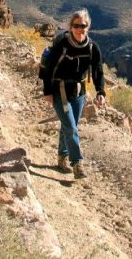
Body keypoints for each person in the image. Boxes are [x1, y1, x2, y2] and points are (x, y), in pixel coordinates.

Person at [42, 9, 106, 179]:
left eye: (83, 25)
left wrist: (101, 91)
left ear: (88, 27)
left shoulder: (92, 47)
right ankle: (77, 163)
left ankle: (61, 156)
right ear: (70, 27)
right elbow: (49, 70)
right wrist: (47, 91)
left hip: (79, 93)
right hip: (59, 91)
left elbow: (98, 71)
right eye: (76, 25)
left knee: (69, 126)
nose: (79, 29)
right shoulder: (62, 45)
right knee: (71, 126)